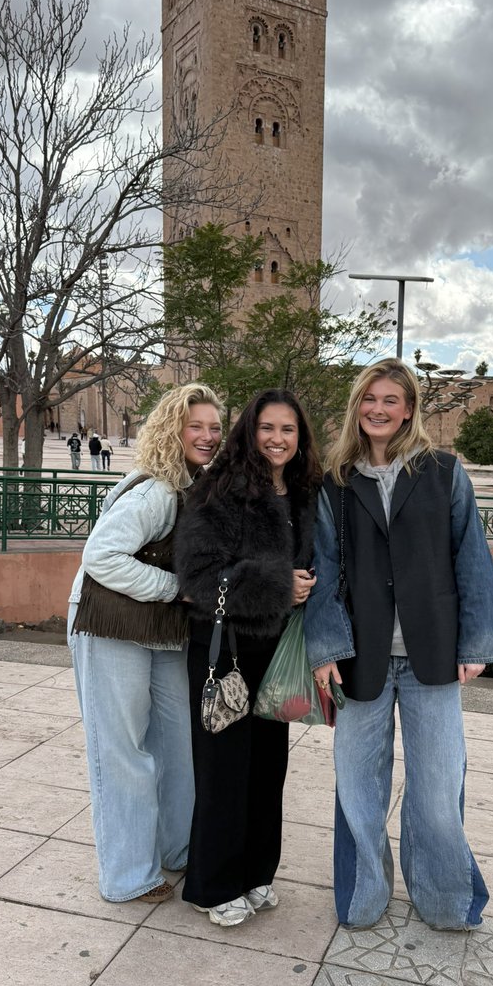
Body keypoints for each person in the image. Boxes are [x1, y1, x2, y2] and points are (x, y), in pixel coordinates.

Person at [304, 358, 493, 931]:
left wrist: (477, 642)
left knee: (438, 789)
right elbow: (322, 569)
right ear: (356, 406)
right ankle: (363, 896)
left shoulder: (444, 472)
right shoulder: (337, 484)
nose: (378, 409)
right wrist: (323, 650)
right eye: (369, 398)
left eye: (391, 399)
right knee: (359, 787)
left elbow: (472, 559)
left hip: (433, 657)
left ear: (410, 408)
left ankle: (444, 900)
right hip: (359, 658)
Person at [67, 384, 223, 903]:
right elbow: (101, 556)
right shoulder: (157, 490)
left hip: (157, 631)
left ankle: (176, 849)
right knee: (122, 751)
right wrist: (173, 589)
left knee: (176, 744)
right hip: (109, 625)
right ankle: (128, 875)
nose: (206, 436)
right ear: (172, 430)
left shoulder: (192, 487)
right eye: (194, 426)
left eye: (214, 427)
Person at [175, 390, 321, 927]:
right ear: (248, 432)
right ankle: (213, 885)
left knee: (268, 770)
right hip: (228, 650)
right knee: (223, 771)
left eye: (288, 429)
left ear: (300, 437)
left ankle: (257, 872)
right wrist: (277, 585)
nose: (277, 439)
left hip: (278, 652)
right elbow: (196, 577)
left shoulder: (304, 493)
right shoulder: (222, 488)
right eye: (267, 428)